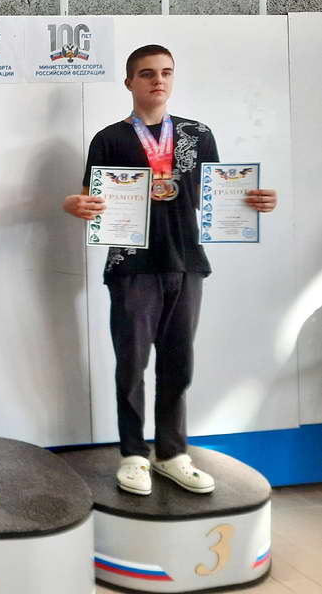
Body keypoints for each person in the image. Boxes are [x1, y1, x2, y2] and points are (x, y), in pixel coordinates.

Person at [63, 44, 277, 496]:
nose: (157, 80)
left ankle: (172, 453)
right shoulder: (109, 138)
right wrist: (75, 205)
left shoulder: (198, 134)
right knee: (132, 366)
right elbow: (90, 198)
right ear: (129, 82)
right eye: (146, 73)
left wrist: (253, 201)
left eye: (165, 72)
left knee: (178, 364)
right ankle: (133, 455)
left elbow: (216, 197)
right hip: (131, 266)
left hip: (186, 262)